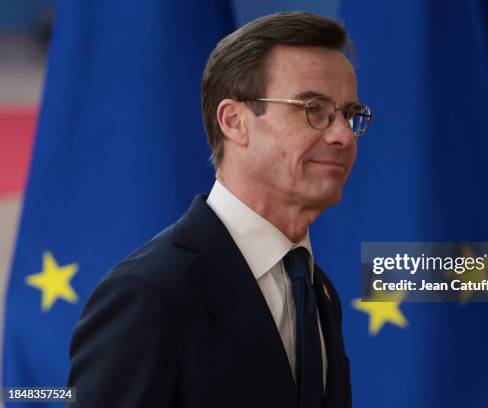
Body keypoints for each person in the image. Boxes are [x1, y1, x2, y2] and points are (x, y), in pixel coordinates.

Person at [67, 11, 372, 408]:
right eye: (313, 108)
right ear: (234, 121)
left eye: (349, 114)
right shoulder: (148, 293)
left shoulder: (320, 291)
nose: (343, 135)